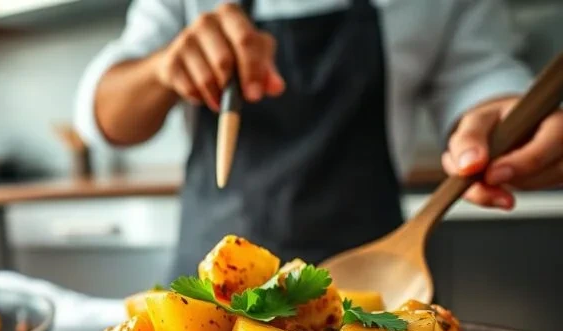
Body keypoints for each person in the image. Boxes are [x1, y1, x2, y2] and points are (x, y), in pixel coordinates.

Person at [74, 0, 563, 272]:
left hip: (377, 275)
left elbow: (479, 77)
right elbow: (103, 118)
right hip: (205, 279)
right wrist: (163, 67)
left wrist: (502, 116)